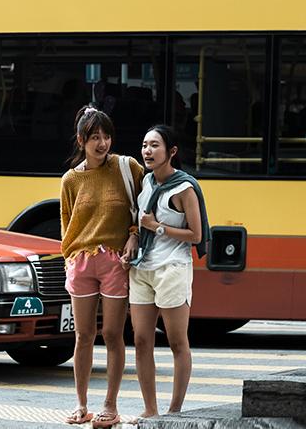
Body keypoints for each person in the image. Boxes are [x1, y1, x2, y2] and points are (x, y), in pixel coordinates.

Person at [60, 106, 142, 428]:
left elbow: (142, 205)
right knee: (83, 335)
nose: (102, 143)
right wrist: (70, 258)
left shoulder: (126, 167)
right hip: (80, 263)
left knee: (112, 334)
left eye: (106, 136)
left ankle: (110, 404)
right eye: (95, 137)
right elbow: (68, 223)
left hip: (114, 261)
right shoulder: (70, 179)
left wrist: (134, 235)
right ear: (81, 140)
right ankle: (81, 405)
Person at [128, 124, 204, 417]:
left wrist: (156, 227)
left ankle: (174, 411)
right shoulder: (146, 182)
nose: (148, 150)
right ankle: (150, 410)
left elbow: (196, 235)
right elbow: (138, 220)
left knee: (176, 341)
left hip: (172, 267)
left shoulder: (184, 188)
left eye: (155, 145)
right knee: (141, 340)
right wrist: (134, 236)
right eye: (145, 145)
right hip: (142, 268)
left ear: (171, 151)